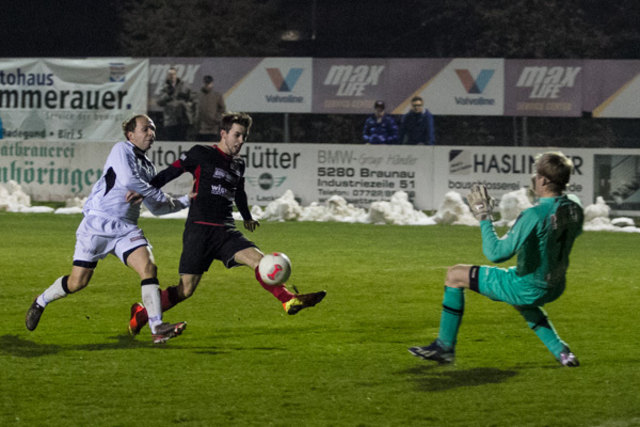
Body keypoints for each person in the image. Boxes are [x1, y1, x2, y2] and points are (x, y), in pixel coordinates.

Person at [127, 112, 326, 336]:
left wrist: (247, 217)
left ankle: (288, 301)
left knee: (260, 261)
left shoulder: (238, 165)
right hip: (199, 230)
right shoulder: (201, 153)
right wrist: (144, 191)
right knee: (186, 289)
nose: (241, 141)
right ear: (223, 133)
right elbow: (169, 173)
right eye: (237, 135)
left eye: (244, 136)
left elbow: (239, 193)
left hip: (225, 230)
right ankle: (142, 315)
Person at [25, 114, 190, 343]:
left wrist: (189, 200)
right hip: (98, 223)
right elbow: (129, 180)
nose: (151, 133)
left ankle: (157, 327)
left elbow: (157, 208)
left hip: (126, 230)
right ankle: (40, 301)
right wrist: (156, 192)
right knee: (77, 282)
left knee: (149, 267)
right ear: (130, 135)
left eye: (153, 129)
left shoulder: (148, 166)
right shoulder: (121, 149)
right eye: (146, 129)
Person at [409, 151, 584, 367]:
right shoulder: (575, 207)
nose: (533, 177)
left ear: (544, 180)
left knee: (454, 275)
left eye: (536, 173)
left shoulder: (534, 215)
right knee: (521, 300)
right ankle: (563, 352)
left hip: (528, 286)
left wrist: (484, 216)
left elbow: (496, 253)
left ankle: (444, 347)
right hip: (555, 284)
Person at [157, 66, 194, 141]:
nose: (172, 76)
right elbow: (159, 101)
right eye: (170, 74)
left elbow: (192, 98)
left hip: (183, 119)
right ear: (167, 76)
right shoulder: (164, 87)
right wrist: (168, 95)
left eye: (173, 74)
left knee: (182, 141)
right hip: (170, 120)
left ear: (176, 75)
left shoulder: (184, 85)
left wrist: (188, 103)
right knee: (171, 141)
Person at [195, 75, 226, 142]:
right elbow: (193, 109)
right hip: (200, 129)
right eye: (205, 83)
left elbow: (222, 109)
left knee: (211, 149)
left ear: (212, 84)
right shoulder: (198, 95)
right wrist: (195, 121)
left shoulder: (217, 95)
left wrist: (216, 119)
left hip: (213, 129)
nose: (207, 85)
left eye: (209, 83)